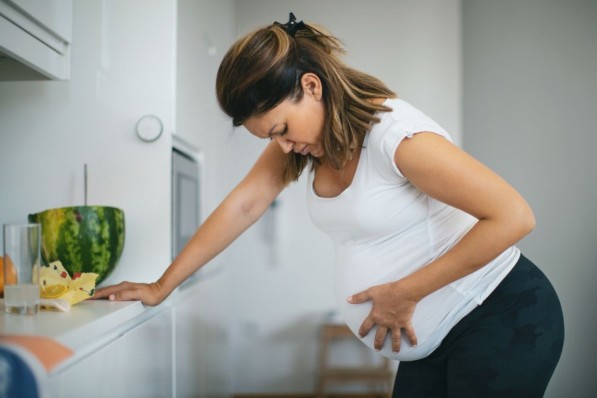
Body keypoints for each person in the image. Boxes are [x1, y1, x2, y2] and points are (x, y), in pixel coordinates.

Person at [94, 13, 564, 397]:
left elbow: (514, 215)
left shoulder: (396, 137)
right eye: (268, 137)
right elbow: (244, 205)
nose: (279, 147)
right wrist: (161, 286)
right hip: (439, 337)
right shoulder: (308, 143)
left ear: (312, 87)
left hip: (502, 313)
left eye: (280, 129)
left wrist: (407, 292)